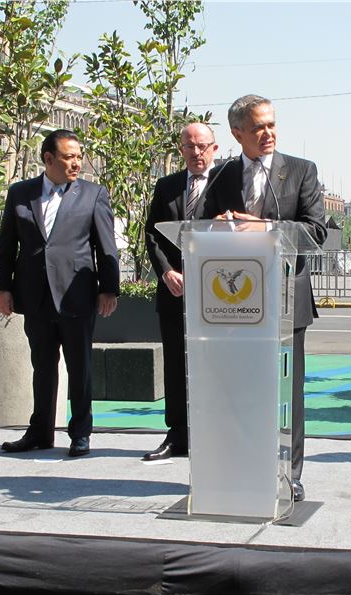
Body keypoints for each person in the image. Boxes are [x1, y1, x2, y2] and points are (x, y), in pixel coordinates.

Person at [202, 95, 327, 501]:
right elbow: (200, 229)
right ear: (238, 134)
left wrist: (266, 226)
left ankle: (289, 474)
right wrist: (218, 227)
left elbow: (316, 232)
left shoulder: (301, 171)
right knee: (239, 389)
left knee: (288, 393)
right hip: (234, 302)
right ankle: (242, 468)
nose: (268, 133)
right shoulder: (221, 176)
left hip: (287, 296)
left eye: (272, 124)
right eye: (258, 128)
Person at [0, 129, 119, 458]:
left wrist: (109, 289)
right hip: (34, 296)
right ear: (48, 159)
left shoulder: (93, 194)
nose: (76, 162)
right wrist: (2, 288)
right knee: (42, 366)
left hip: (76, 295)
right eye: (69, 157)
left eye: (79, 156)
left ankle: (80, 433)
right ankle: (40, 432)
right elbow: (6, 245)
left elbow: (106, 247)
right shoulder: (21, 193)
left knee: (80, 368)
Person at [142, 122, 219, 461]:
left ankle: (215, 435)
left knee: (214, 366)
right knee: (175, 364)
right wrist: (166, 272)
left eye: (202, 145)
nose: (196, 152)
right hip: (175, 291)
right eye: (189, 146)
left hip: (218, 292)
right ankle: (177, 436)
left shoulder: (228, 184)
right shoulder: (167, 186)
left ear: (214, 148)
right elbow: (152, 234)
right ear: (181, 149)